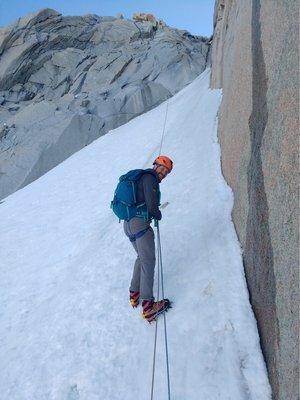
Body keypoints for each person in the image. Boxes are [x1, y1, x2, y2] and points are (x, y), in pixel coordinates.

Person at [123, 155, 173, 322]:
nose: (163, 173)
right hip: (140, 224)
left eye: (166, 171)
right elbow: (152, 207)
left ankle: (134, 293)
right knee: (148, 261)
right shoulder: (150, 179)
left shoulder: (141, 178)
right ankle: (148, 307)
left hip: (128, 224)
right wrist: (157, 214)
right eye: (162, 168)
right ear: (155, 165)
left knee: (141, 257)